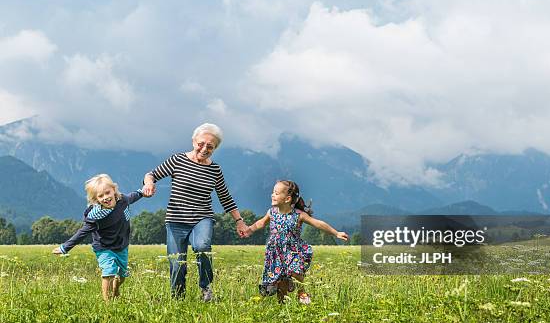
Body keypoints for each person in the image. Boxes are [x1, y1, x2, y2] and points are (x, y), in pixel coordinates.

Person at [142, 123, 247, 301]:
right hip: (176, 220)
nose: (204, 148)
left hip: (202, 218)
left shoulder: (215, 169)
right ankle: (178, 297)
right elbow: (151, 174)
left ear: (215, 148)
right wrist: (149, 184)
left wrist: (239, 221)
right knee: (177, 262)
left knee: (202, 247)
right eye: (201, 143)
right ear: (193, 141)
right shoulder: (177, 160)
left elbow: (225, 197)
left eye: (210, 146)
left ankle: (206, 289)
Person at [246, 180, 349, 303]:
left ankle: (302, 292)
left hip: (293, 250)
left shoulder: (299, 215)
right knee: (281, 280)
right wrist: (249, 230)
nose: (272, 195)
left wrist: (336, 233)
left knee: (295, 271)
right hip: (276, 252)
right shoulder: (271, 212)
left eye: (276, 193)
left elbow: (318, 224)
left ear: (287, 198)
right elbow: (260, 223)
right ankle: (282, 305)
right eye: (273, 192)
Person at [52, 174, 145, 301]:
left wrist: (144, 191)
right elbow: (82, 233)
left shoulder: (123, 200)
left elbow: (133, 196)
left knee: (122, 275)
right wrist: (64, 248)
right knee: (108, 272)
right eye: (100, 196)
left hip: (121, 245)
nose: (106, 197)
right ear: (95, 199)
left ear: (114, 190)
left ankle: (116, 290)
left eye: (107, 193)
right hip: (104, 247)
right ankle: (107, 304)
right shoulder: (95, 217)